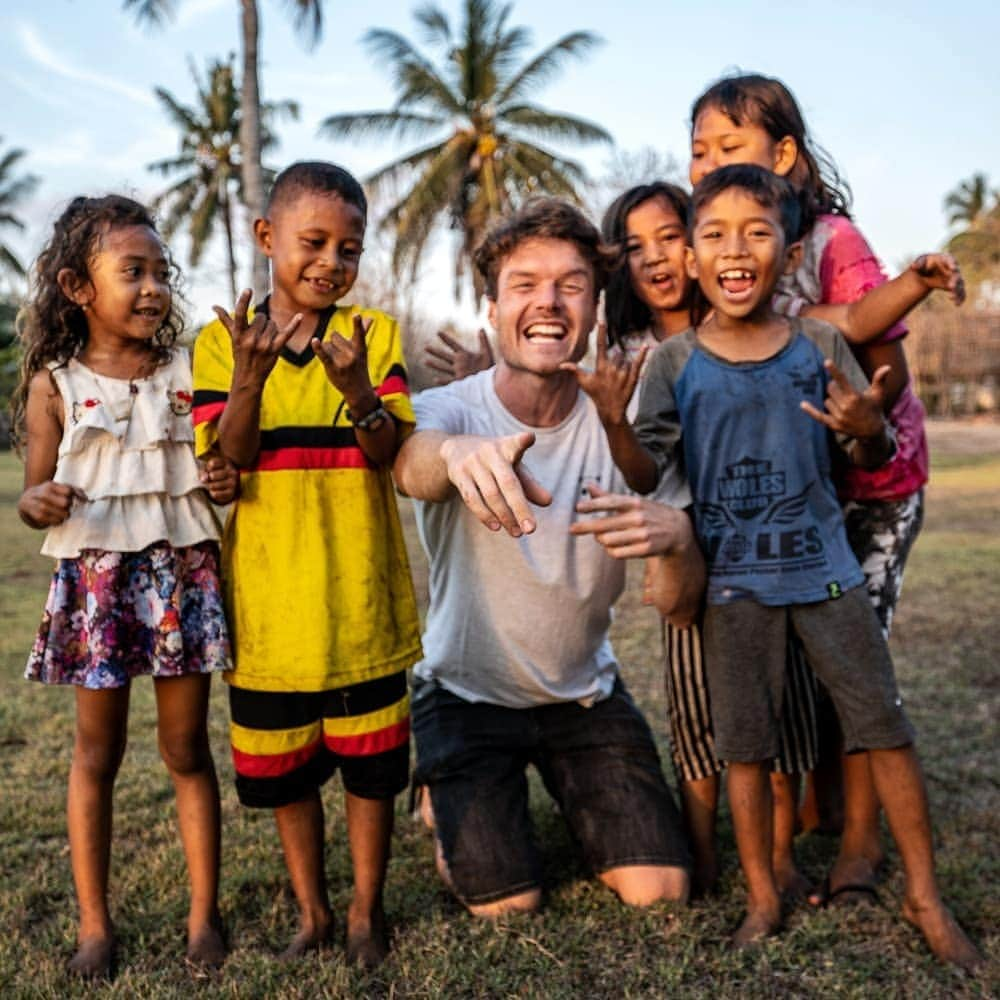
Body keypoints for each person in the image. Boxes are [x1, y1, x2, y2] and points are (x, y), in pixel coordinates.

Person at [606, 163, 981, 971]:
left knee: (883, 725)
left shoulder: (819, 344)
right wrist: (613, 421)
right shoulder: (674, 363)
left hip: (827, 574)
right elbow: (645, 476)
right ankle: (763, 897)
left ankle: (924, 895)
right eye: (714, 234)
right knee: (747, 748)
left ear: (788, 249)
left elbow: (866, 444)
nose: (734, 250)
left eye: (757, 231)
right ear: (696, 259)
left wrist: (870, 426)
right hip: (734, 586)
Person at [688, 72, 964, 906]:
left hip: (876, 479)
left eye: (728, 149)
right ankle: (821, 807)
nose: (707, 165)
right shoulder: (734, 243)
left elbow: (880, 345)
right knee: (803, 659)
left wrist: (865, 418)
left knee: (859, 663)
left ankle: (860, 845)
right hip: (806, 481)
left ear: (783, 154)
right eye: (698, 152)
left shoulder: (833, 238)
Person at [393, 197, 699, 918]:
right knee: (510, 906)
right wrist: (463, 456)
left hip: (582, 696)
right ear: (494, 307)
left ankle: (568, 784)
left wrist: (679, 540)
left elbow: (680, 602)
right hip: (465, 694)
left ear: (595, 308)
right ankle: (440, 783)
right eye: (525, 284)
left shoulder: (624, 421)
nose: (548, 302)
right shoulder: (451, 408)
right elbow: (413, 464)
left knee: (661, 891)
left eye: (570, 284)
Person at [192, 162, 421, 967]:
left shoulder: (375, 336)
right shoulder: (221, 342)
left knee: (370, 775)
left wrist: (358, 390)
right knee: (287, 777)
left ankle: (364, 910)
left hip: (362, 598)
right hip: (271, 605)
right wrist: (249, 378)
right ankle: (313, 911)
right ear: (267, 239)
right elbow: (234, 457)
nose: (331, 262)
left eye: (348, 248)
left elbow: (389, 451)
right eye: (313, 241)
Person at [13, 195, 236, 978]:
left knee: (185, 749)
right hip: (97, 582)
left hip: (180, 571)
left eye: (158, 272)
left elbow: (223, 461)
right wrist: (35, 498)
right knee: (95, 754)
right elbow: (36, 487)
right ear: (78, 287)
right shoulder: (55, 383)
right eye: (130, 272)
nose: (151, 288)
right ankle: (94, 924)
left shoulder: (189, 368)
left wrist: (222, 471)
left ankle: (204, 913)